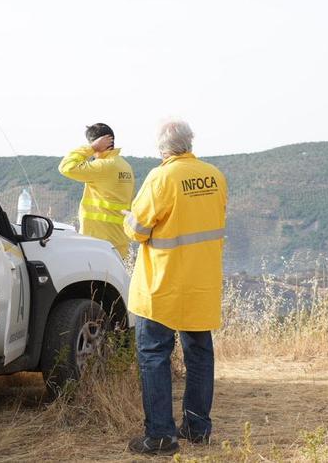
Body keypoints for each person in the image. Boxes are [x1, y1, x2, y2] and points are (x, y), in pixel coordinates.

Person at [122, 120, 227, 455]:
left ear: (162, 149)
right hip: (200, 282)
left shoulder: (161, 177)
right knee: (199, 355)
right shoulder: (215, 176)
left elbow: (138, 229)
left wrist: (128, 219)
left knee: (154, 355)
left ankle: (162, 437)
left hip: (162, 286)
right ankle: (197, 430)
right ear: (190, 143)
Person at [58, 123, 135, 257]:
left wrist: (91, 148)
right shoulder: (125, 166)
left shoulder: (102, 166)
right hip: (119, 241)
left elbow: (66, 167)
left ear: (99, 143)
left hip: (99, 243)